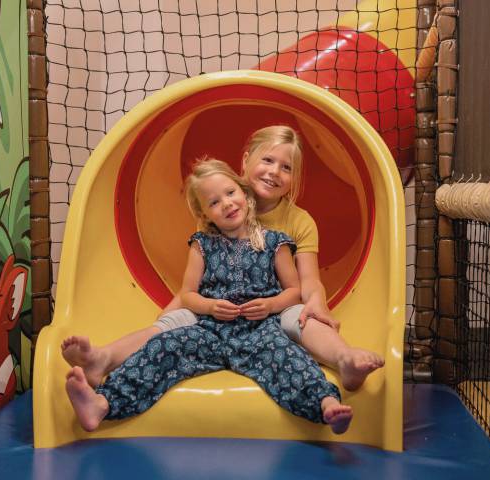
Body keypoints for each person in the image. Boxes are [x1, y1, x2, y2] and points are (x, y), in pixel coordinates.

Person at [62, 125, 383, 391]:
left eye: (286, 168)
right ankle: (103, 359)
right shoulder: (223, 205)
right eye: (268, 160)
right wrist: (166, 316)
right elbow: (197, 278)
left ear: (294, 179)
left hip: (272, 312)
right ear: (245, 161)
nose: (275, 172)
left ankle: (345, 360)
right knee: (173, 323)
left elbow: (308, 279)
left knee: (302, 316)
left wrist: (318, 303)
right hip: (220, 315)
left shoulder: (299, 221)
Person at [65, 158, 353, 434]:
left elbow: (294, 291)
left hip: (259, 330)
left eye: (230, 193)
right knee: (164, 346)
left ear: (244, 192)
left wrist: (270, 305)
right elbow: (188, 294)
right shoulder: (201, 245)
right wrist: (210, 306)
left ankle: (326, 403)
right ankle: (101, 404)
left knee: (288, 356)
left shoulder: (274, 241)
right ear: (205, 214)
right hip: (210, 330)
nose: (226, 203)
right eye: (214, 202)